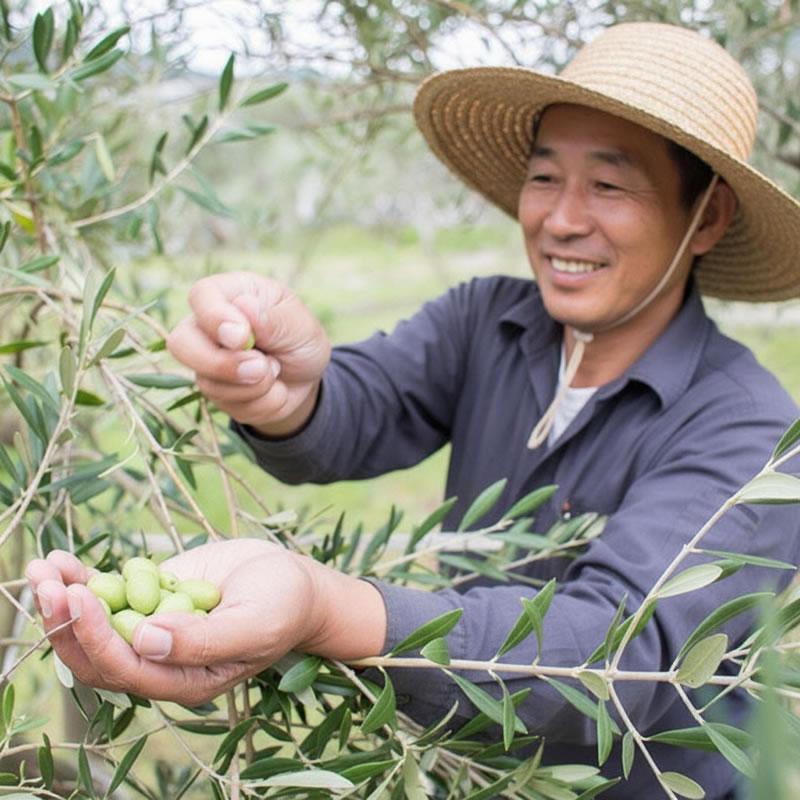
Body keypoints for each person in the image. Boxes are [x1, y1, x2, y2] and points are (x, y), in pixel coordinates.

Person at [26, 22, 800, 799]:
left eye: (609, 185)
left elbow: (611, 659)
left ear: (707, 217)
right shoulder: (488, 321)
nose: (561, 219)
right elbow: (359, 407)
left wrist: (327, 608)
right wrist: (284, 393)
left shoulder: (751, 434)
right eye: (544, 177)